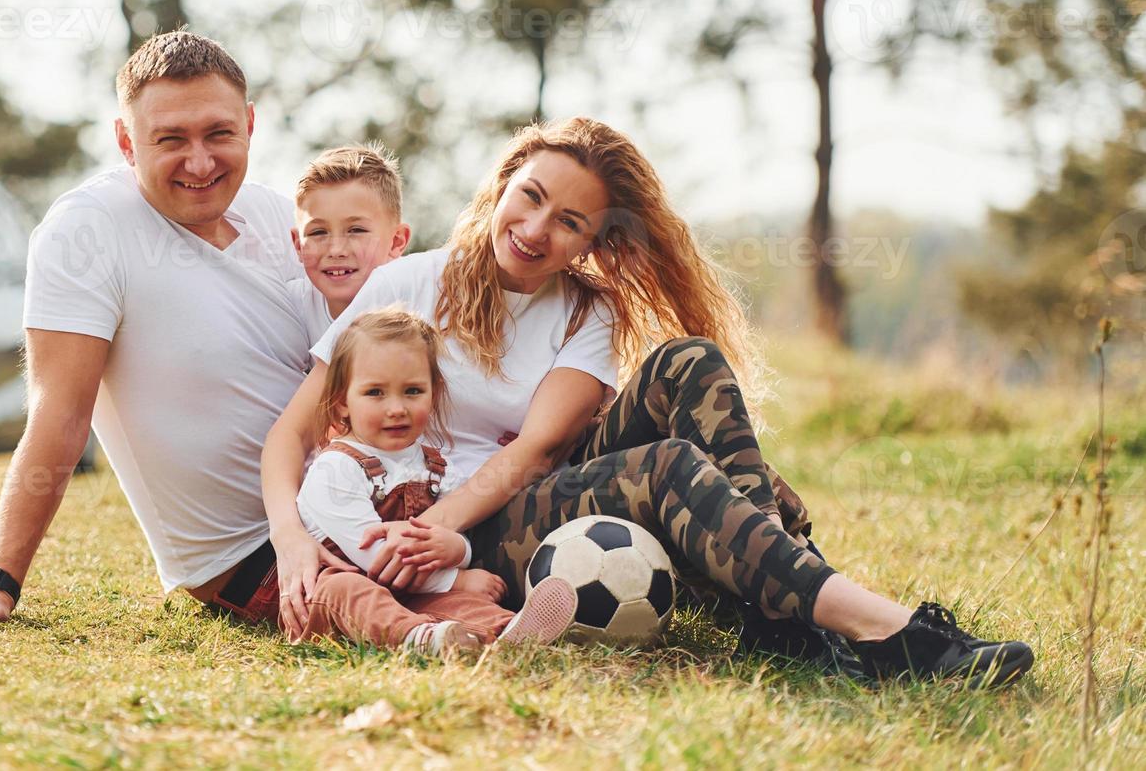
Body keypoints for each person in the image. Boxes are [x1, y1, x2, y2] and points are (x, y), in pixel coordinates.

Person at [263, 117, 1036, 689]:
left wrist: (437, 529)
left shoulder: (584, 312)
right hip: (470, 536)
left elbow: (538, 450)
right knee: (667, 466)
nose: (535, 229)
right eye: (529, 197)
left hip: (508, 502)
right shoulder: (407, 284)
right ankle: (884, 631)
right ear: (502, 187)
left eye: (570, 222)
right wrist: (296, 540)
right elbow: (289, 436)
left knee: (688, 362)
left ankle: (791, 616)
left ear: (594, 243)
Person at [0, 30, 354, 627]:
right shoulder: (87, 231)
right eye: (170, 140)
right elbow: (59, 413)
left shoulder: (283, 216)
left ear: (249, 124)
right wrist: (0, 578)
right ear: (126, 140)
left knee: (514, 520)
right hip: (259, 558)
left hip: (370, 507)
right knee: (475, 584)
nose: (200, 162)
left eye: (219, 133)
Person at [293, 306, 579, 655]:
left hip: (416, 592)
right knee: (345, 590)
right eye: (375, 393)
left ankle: (505, 632)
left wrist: (457, 548)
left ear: (435, 393)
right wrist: (458, 578)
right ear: (342, 404)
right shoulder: (335, 469)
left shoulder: (434, 465)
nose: (396, 408)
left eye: (412, 391)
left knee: (458, 602)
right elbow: (378, 560)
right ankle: (418, 637)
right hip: (344, 594)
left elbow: (461, 536)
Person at [289, 143, 412, 344]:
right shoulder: (291, 307)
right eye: (318, 232)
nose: (336, 250)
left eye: (356, 230)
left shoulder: (417, 304)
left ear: (396, 241)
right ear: (298, 246)